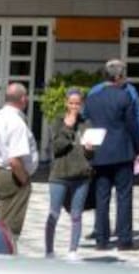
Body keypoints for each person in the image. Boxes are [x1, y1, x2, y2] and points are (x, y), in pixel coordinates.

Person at [84, 59, 139, 252]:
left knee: (102, 197)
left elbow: (85, 122)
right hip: (122, 153)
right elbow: (133, 126)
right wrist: (138, 149)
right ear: (118, 77)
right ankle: (124, 240)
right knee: (124, 197)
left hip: (100, 154)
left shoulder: (92, 98)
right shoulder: (124, 97)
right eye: (123, 75)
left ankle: (101, 240)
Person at [0, 82, 39, 241]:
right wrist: (24, 180)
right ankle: (3, 252)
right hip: (12, 175)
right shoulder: (16, 123)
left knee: (1, 217)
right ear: (23, 99)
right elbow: (14, 160)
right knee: (10, 228)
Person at [45, 87, 93, 258]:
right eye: (71, 103)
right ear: (66, 103)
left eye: (77, 104)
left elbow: (90, 155)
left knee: (76, 215)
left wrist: (89, 149)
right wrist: (68, 126)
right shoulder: (57, 122)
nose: (74, 107)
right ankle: (49, 251)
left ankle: (73, 251)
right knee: (54, 213)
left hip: (81, 176)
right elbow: (57, 147)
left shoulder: (86, 123)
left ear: (82, 104)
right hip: (59, 176)